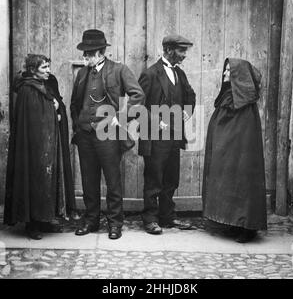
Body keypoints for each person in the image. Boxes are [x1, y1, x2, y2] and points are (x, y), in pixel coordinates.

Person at [71, 29, 144, 239]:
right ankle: (91, 220)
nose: (84, 57)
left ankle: (115, 223)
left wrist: (121, 117)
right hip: (85, 135)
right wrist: (78, 124)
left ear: (101, 53)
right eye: (84, 53)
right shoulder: (82, 73)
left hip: (108, 135)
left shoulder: (118, 70)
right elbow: (75, 103)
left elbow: (138, 95)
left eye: (88, 53)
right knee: (88, 180)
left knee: (113, 180)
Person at [4, 54, 79, 240]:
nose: (48, 71)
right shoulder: (26, 90)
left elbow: (57, 104)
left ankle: (46, 220)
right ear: (32, 70)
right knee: (34, 179)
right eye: (44, 68)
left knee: (49, 180)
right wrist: (53, 112)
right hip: (33, 145)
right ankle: (32, 224)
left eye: (48, 66)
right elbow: (34, 118)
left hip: (49, 143)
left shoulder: (48, 83)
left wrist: (57, 107)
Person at [202, 58, 267, 243]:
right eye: (225, 70)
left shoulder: (244, 102)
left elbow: (241, 131)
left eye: (229, 71)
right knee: (229, 182)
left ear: (239, 76)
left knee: (242, 183)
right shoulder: (229, 95)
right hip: (228, 151)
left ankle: (248, 227)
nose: (224, 73)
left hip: (240, 153)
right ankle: (233, 222)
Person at [138, 34, 196, 235]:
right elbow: (138, 106)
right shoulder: (150, 74)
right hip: (155, 137)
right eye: (181, 51)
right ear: (169, 50)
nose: (184, 55)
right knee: (154, 179)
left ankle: (167, 217)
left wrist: (186, 114)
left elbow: (191, 96)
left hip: (174, 136)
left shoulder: (180, 74)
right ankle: (150, 219)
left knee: (171, 179)